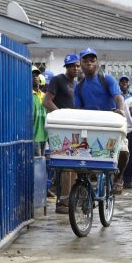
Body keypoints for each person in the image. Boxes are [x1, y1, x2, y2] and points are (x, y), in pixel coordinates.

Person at [74, 47, 131, 193]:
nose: (89, 63)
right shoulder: (79, 87)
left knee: (123, 151)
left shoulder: (107, 80)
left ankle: (119, 177)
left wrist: (120, 111)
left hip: (111, 125)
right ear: (80, 63)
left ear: (97, 62)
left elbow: (118, 97)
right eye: (85, 60)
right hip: (91, 127)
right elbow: (78, 109)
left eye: (92, 60)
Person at [43, 53, 81, 214]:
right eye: (72, 65)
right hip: (61, 129)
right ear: (66, 67)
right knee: (66, 166)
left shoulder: (79, 84)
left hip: (75, 128)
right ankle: (63, 203)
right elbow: (46, 101)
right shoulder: (58, 80)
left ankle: (72, 200)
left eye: (77, 65)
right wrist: (61, 115)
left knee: (76, 165)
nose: (76, 68)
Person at [32, 66, 48, 156]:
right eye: (32, 75)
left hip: (44, 135)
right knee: (37, 161)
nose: (35, 77)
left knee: (42, 159)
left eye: (37, 75)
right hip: (33, 136)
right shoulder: (27, 95)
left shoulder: (44, 96)